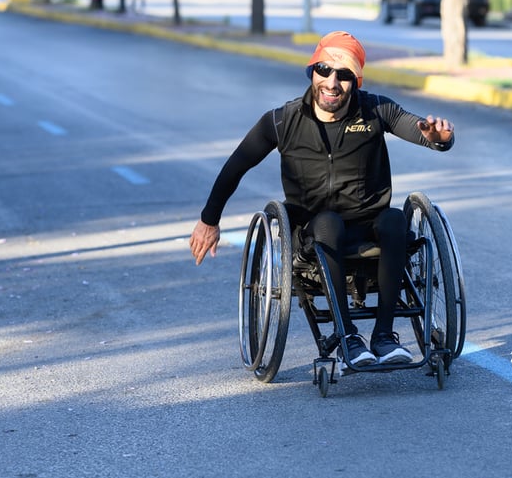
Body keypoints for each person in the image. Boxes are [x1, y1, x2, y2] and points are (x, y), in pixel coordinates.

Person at [189, 31, 455, 374]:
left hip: (368, 224)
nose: (332, 81)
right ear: (311, 71)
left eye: (344, 75)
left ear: (355, 81)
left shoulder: (375, 110)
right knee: (329, 222)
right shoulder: (282, 120)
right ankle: (348, 338)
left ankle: (385, 337)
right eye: (324, 70)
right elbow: (236, 166)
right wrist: (209, 220)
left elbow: (421, 129)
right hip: (314, 232)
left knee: (394, 220)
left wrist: (440, 138)